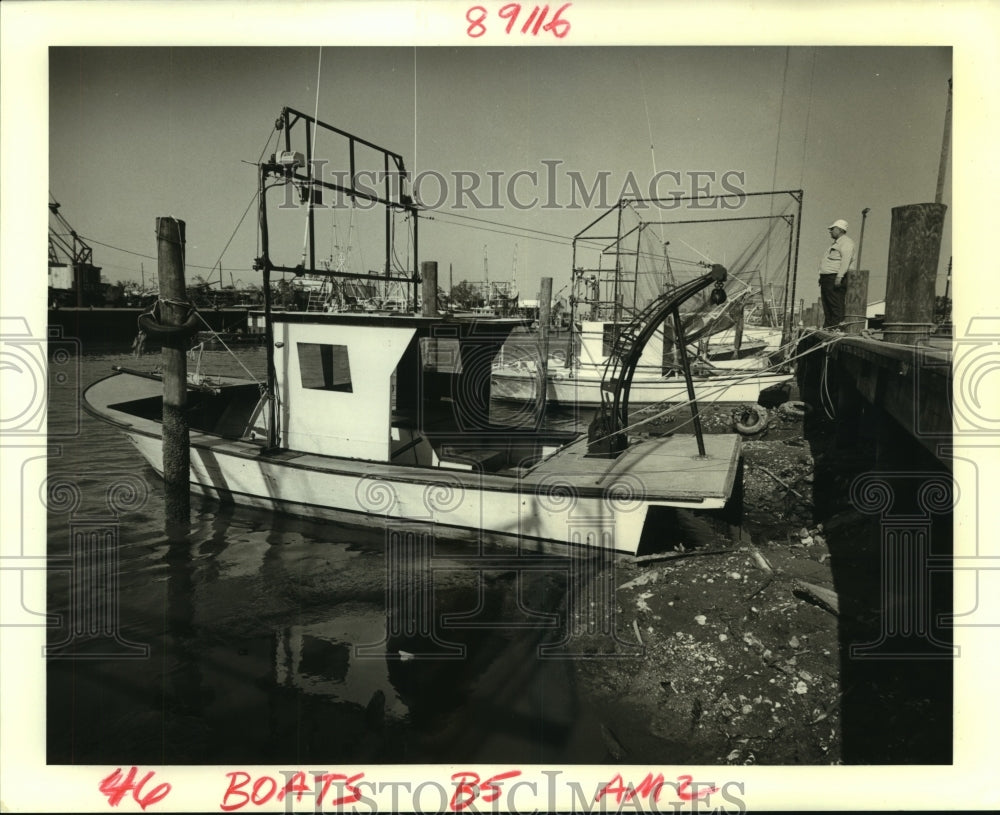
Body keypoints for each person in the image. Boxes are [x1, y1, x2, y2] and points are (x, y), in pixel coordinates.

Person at [818, 218, 855, 329]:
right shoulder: (836, 243)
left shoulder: (846, 243)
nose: (830, 231)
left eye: (832, 229)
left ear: (839, 229)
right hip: (827, 278)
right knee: (827, 304)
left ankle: (835, 327)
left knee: (835, 303)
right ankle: (828, 326)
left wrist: (839, 276)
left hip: (834, 277)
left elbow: (846, 260)